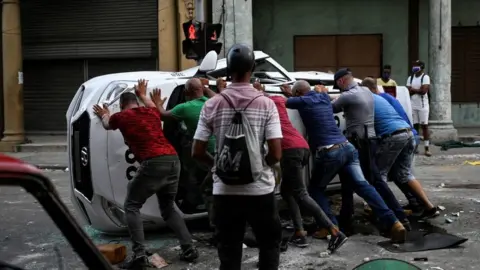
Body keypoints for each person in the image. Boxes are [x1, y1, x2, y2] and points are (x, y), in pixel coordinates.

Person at [281, 80, 406, 244]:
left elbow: (285, 101)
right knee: (363, 186)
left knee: (316, 189)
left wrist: (287, 92)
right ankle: (394, 222)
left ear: (298, 94)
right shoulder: (324, 97)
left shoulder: (303, 101)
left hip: (329, 151)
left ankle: (331, 226)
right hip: (348, 147)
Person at [192, 43, 283, 270]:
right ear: (252, 67)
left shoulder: (212, 104)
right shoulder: (266, 104)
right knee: (269, 244)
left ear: (228, 70)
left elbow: (197, 151)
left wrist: (219, 166)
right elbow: (275, 152)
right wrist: (262, 165)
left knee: (229, 251)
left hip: (224, 192)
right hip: (260, 189)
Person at [92, 84, 198, 269]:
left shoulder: (122, 116)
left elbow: (107, 124)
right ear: (136, 102)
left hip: (153, 161)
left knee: (132, 206)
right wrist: (143, 94)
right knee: (168, 208)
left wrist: (104, 113)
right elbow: (150, 104)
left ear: (123, 105)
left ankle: (139, 256)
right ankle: (189, 248)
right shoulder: (151, 112)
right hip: (173, 160)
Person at [252, 82, 347, 251]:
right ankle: (300, 233)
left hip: (289, 150)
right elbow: (292, 99)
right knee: (288, 192)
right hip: (302, 147)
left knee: (301, 193)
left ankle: (334, 231)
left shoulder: (260, 103)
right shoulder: (279, 100)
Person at [136, 78, 218, 233]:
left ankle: (216, 227)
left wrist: (158, 103)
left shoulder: (185, 107)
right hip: (221, 153)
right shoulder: (213, 102)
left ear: (187, 93)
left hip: (205, 154)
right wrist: (206, 88)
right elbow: (220, 97)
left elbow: (162, 115)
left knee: (207, 189)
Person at [331, 68, 409, 232]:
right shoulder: (365, 90)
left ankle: (396, 217)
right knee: (349, 179)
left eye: (338, 86)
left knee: (371, 181)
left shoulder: (348, 96)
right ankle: (347, 216)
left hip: (360, 142)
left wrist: (320, 94)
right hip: (370, 140)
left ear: (341, 82)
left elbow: (331, 107)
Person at [362, 77, 440, 218]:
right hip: (409, 133)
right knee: (403, 174)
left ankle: (383, 211)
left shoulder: (369, 100)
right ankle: (428, 206)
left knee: (380, 174)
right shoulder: (387, 98)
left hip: (393, 136)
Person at [407, 60, 431, 157]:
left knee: (424, 126)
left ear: (421, 67)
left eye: (417, 66)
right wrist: (417, 90)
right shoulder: (410, 77)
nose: (414, 68)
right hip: (413, 105)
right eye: (414, 66)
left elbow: (424, 91)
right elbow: (407, 91)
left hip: (423, 105)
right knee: (415, 126)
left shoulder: (425, 77)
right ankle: (415, 147)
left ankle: (426, 148)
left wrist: (413, 90)